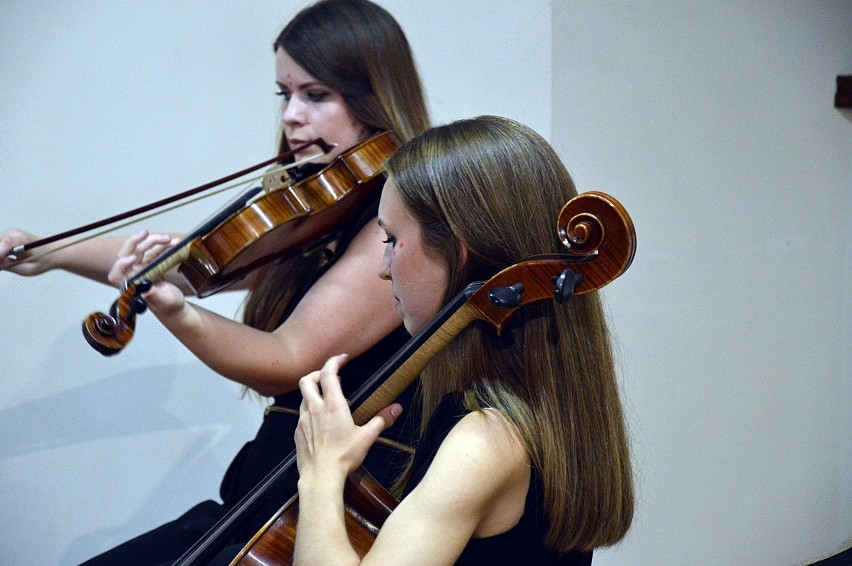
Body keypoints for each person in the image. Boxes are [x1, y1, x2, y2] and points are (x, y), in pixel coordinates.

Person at [2, 1, 429, 564]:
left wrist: (178, 314)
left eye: (316, 95)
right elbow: (197, 263)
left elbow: (288, 356)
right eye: (285, 94)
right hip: (266, 489)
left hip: (319, 506)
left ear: (375, 96)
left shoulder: (399, 222)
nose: (292, 116)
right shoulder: (326, 206)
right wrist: (52, 252)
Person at [292, 115, 635, 565]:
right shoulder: (531, 418)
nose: (382, 267)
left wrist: (320, 475)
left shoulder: (486, 443)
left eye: (392, 239)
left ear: (458, 249)